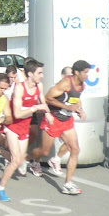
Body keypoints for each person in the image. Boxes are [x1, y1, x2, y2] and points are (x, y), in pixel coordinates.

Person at [27, 60, 89, 194]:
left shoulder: (82, 85)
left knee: (75, 149)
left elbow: (75, 99)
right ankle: (24, 160)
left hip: (67, 121)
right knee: (44, 151)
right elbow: (48, 98)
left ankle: (68, 183)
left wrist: (80, 109)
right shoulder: (66, 83)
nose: (87, 75)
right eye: (85, 72)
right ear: (77, 72)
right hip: (53, 119)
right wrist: (67, 107)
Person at [0, 59, 51, 201]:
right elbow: (18, 113)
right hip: (13, 125)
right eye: (40, 73)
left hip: (24, 127)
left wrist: (49, 115)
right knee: (15, 161)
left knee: (20, 162)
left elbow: (42, 102)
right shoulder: (20, 88)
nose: (42, 76)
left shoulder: (39, 86)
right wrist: (35, 108)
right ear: (30, 74)